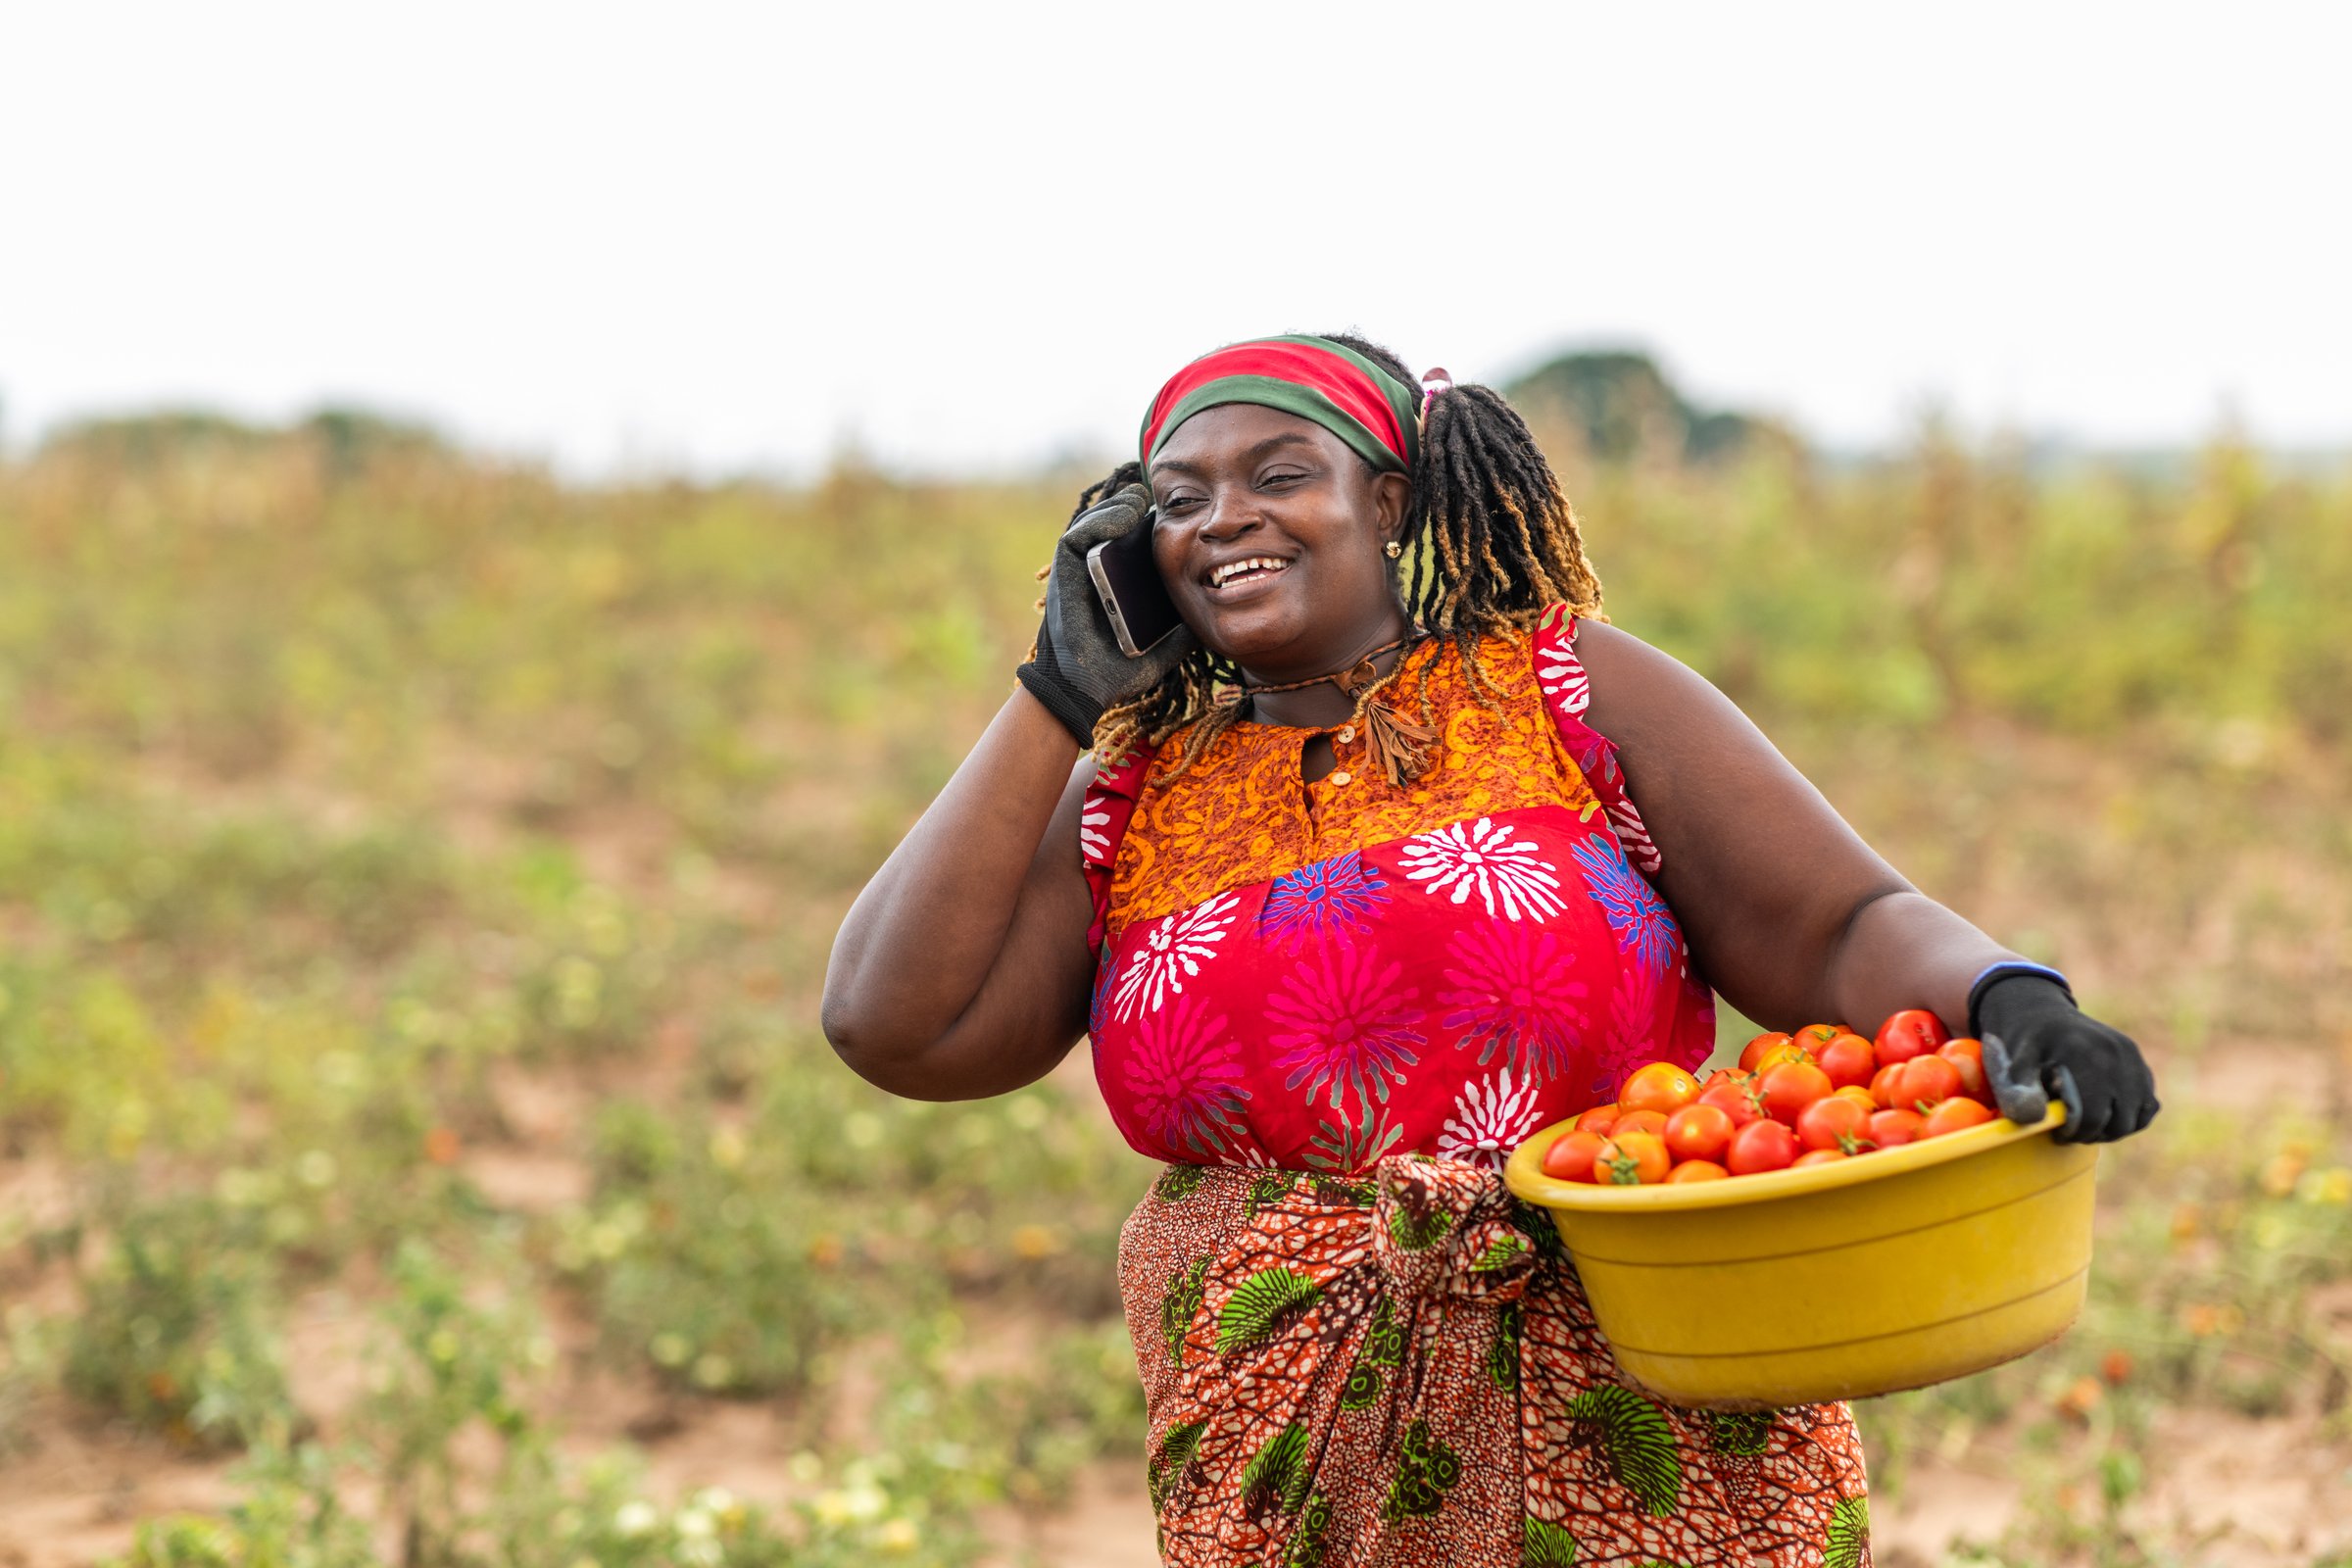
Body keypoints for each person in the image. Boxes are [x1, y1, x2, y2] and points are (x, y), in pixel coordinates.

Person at [822, 334, 2158, 1568]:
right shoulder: (1129, 797)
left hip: (1637, 1370)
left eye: (1280, 473)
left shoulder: (1562, 688)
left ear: (1390, 500)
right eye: (1176, 499)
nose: (1224, 515)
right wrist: (1057, 695)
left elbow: (1837, 921)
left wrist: (2006, 995)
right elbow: (893, 1024)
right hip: (1281, 1430)